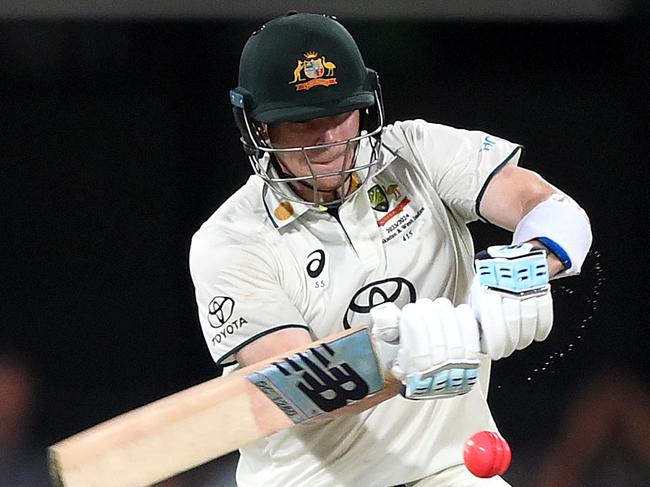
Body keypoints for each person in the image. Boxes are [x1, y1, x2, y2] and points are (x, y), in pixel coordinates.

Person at [189, 12, 592, 487]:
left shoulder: (416, 152)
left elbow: (550, 207)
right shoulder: (229, 239)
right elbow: (295, 386)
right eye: (302, 122)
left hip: (450, 469)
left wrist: (524, 269)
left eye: (341, 113)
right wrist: (397, 357)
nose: (329, 139)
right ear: (259, 128)